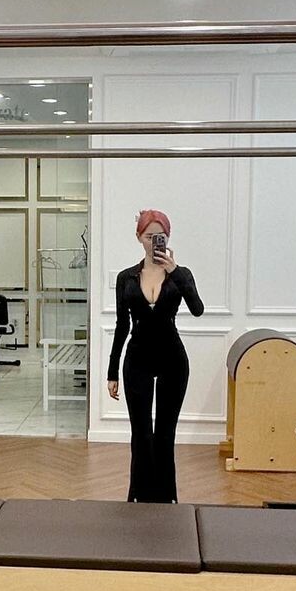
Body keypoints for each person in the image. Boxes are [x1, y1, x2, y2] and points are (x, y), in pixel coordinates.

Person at [107, 209, 204, 503]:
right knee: (141, 433)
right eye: (149, 236)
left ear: (168, 238)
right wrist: (112, 372)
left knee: (165, 433)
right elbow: (122, 326)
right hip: (137, 359)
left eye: (160, 237)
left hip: (173, 360)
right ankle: (138, 497)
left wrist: (175, 272)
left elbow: (197, 309)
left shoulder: (181, 274)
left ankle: (166, 499)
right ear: (139, 237)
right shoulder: (126, 278)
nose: (154, 242)